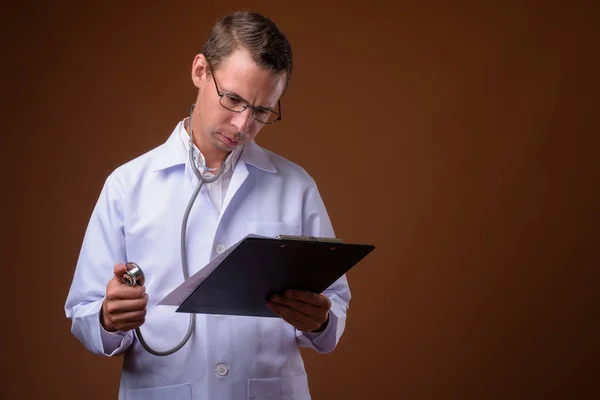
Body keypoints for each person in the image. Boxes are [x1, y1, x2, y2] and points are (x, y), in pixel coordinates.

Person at [64, 10, 350, 400]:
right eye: (232, 99)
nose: (242, 125)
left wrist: (319, 322)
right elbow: (84, 312)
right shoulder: (127, 186)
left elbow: (332, 309)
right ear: (200, 71)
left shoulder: (295, 186)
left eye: (262, 111)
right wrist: (107, 319)